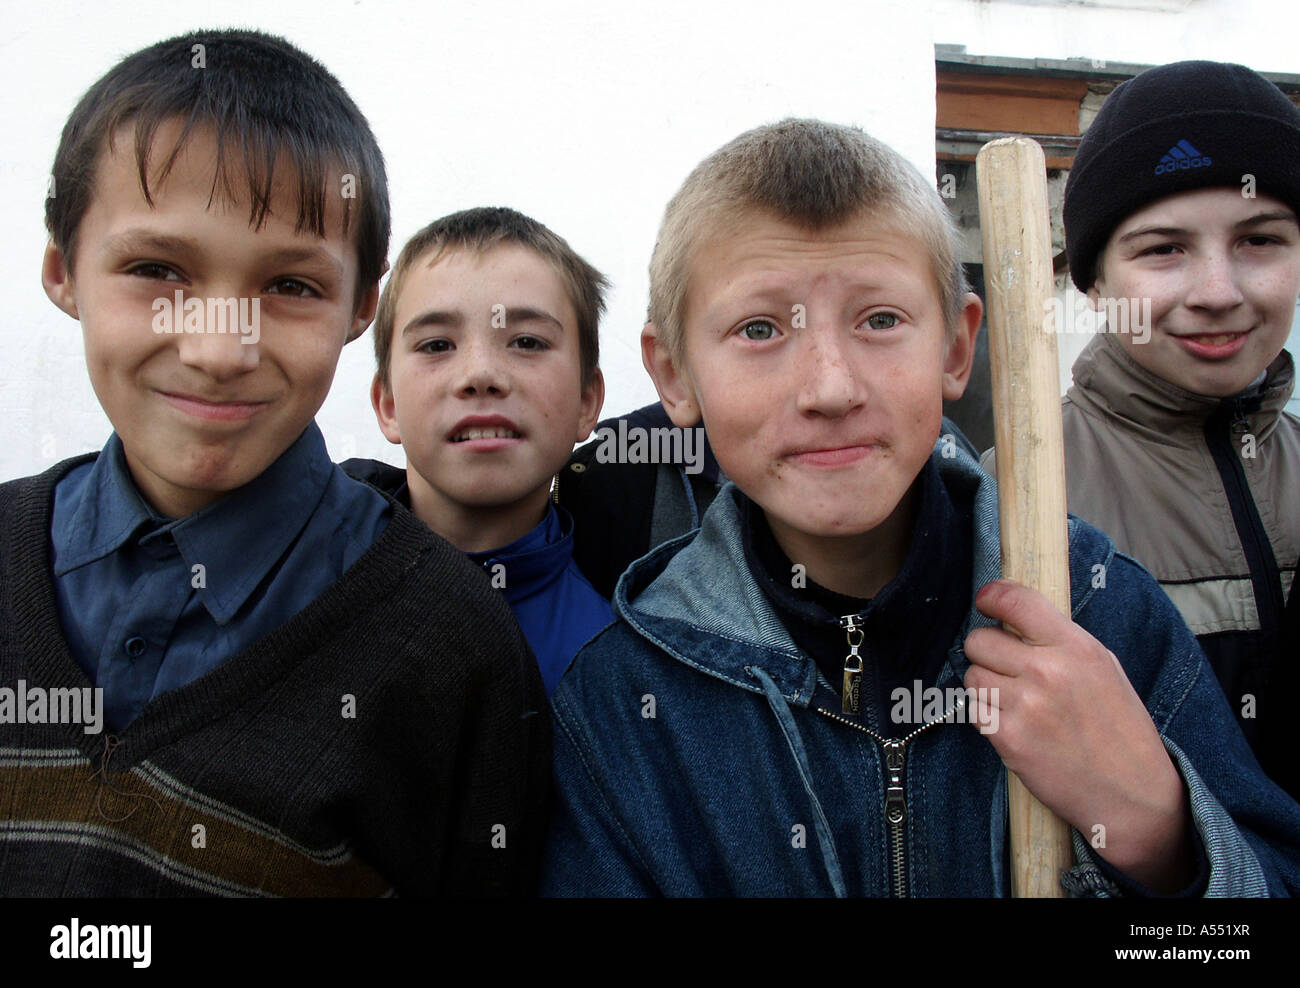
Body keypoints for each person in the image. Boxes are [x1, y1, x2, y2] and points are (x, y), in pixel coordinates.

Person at [541, 118, 1300, 896]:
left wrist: (1159, 831)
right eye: (760, 329)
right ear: (674, 374)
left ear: (956, 349)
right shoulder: (628, 704)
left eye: (880, 320)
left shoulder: (1099, 616)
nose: (831, 387)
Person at [0, 29, 547, 896]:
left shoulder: (450, 651)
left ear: (361, 306)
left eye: (290, 287)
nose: (220, 350)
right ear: (64, 272)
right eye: (155, 269)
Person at [1057, 60, 1300, 799]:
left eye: (1261, 240)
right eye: (1164, 249)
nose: (1219, 292)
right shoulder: (1016, 500)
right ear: (1095, 282)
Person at [347, 207, 612, 697]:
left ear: (586, 402)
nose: (480, 374)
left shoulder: (621, 665)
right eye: (436, 345)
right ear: (387, 405)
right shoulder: (301, 595)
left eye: (528, 341)